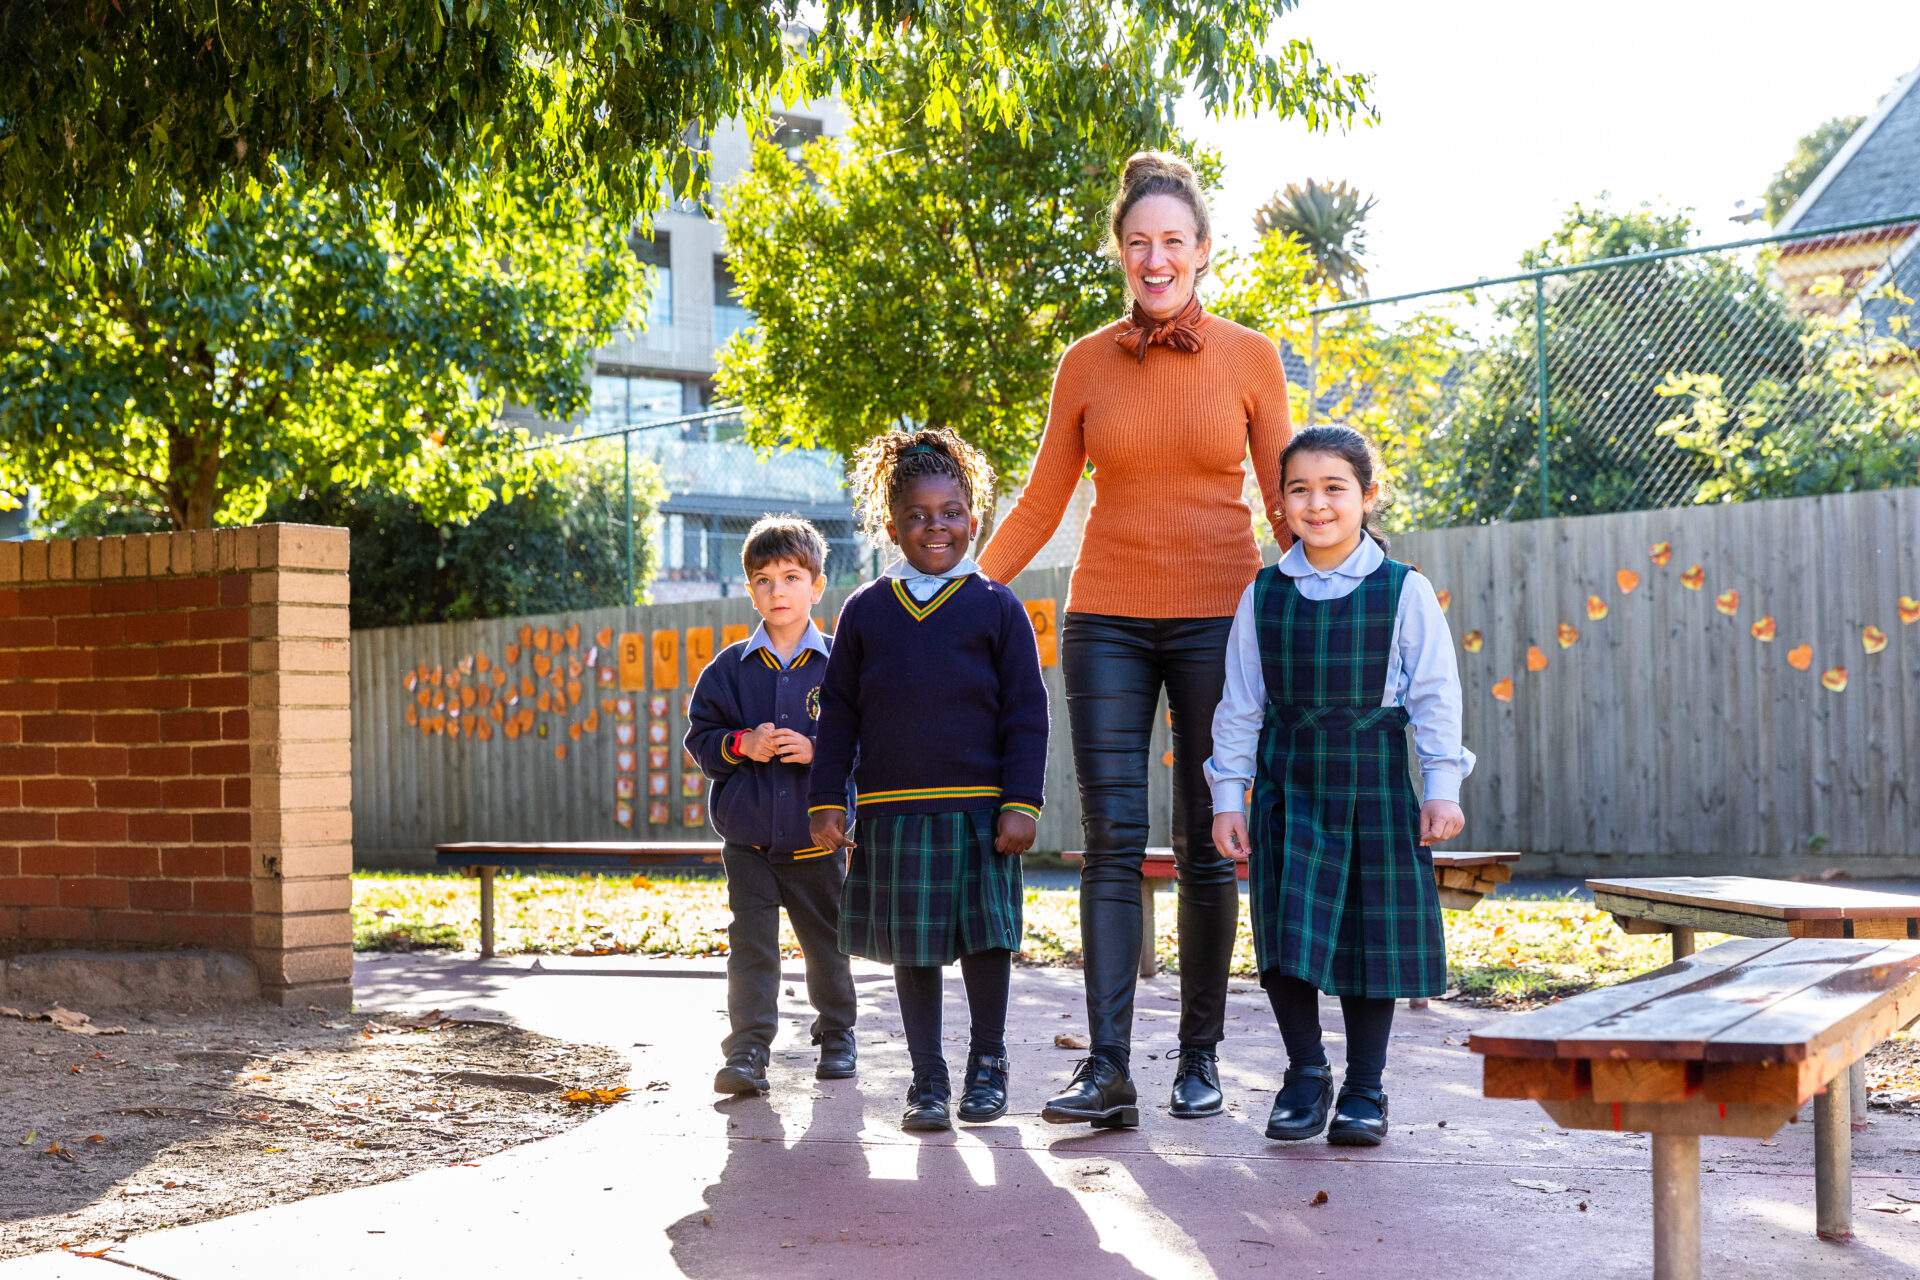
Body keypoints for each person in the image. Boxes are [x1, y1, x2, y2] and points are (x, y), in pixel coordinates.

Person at [976, 151, 1292, 1128]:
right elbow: (1043, 499)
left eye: (1173, 242)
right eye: (1139, 242)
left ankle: (1199, 1058)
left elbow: (1285, 497)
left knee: (1206, 840)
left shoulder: (1252, 358)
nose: (1157, 259)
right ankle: (1107, 1068)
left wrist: (1352, 588)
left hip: (1220, 619)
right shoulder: (1084, 363)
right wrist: (961, 592)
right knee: (1109, 840)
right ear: (1120, 251)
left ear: (1203, 250)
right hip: (1106, 615)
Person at [1207, 425, 1473, 1147]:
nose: (1317, 504)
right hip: (1287, 783)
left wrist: (1442, 784)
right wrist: (1229, 797)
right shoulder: (1263, 594)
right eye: (1299, 489)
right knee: (1285, 933)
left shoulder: (1403, 589)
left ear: (1367, 495)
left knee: (1368, 936)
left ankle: (1364, 1088)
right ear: (1281, 502)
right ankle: (1305, 1072)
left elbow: (1436, 694)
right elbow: (1240, 706)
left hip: (1373, 783)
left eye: (1334, 488)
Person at [808, 427, 1050, 1133]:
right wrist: (826, 799)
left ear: (973, 519)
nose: (935, 526)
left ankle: (988, 1064)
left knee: (986, 942)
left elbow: (1027, 713)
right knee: (912, 950)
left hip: (979, 813)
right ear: (893, 527)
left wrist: (1022, 803)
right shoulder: (865, 610)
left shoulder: (996, 605)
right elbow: (840, 714)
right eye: (917, 515)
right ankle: (927, 1079)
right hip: (893, 813)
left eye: (950, 512)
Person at [686, 515, 857, 1096]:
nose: (777, 590)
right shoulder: (727, 670)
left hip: (818, 841)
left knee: (827, 944)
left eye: (791, 577)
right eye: (763, 580)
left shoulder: (841, 666)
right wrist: (741, 743)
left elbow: (867, 746)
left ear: (817, 586)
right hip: (749, 842)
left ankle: (837, 1034)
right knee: (751, 949)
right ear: (750, 590)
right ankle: (748, 1050)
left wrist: (817, 752)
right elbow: (701, 740)